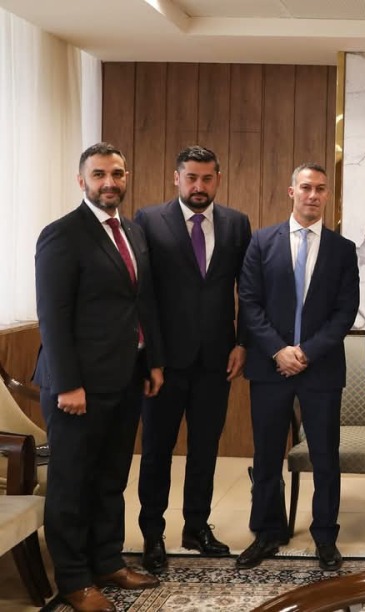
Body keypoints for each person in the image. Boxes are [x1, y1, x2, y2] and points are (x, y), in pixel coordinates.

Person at [34, 142, 165, 612]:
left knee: (111, 477)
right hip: (78, 387)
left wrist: (152, 362)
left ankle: (107, 560)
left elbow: (142, 302)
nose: (109, 182)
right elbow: (52, 315)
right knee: (72, 483)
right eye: (99, 174)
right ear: (82, 181)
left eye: (117, 173)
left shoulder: (132, 232)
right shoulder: (62, 234)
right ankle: (73, 579)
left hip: (125, 377)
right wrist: (68, 383)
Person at [134, 145, 252, 573]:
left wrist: (242, 343)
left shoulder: (236, 223)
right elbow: (143, 294)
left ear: (217, 179)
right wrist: (151, 358)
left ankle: (196, 527)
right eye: (191, 178)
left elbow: (247, 289)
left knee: (205, 448)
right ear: (176, 178)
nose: (198, 186)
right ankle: (152, 534)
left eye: (206, 178)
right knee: (157, 451)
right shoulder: (149, 220)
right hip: (164, 364)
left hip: (216, 359)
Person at [237, 163, 359, 570]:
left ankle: (325, 535)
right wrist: (279, 351)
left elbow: (345, 312)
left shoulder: (342, 249)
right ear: (291, 191)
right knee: (268, 454)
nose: (313, 195)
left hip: (320, 368)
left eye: (320, 189)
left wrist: (305, 352)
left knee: (325, 456)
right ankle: (267, 532)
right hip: (269, 367)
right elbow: (249, 303)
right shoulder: (261, 242)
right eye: (306, 187)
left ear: (327, 195)